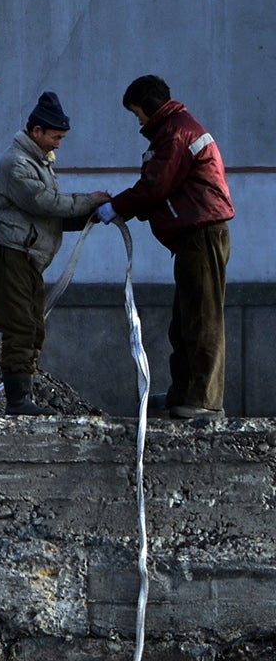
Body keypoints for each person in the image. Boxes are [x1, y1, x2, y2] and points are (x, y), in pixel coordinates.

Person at [96, 76, 235, 419]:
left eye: (137, 113)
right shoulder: (176, 129)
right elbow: (160, 187)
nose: (138, 121)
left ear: (148, 106)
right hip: (193, 236)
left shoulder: (174, 134)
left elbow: (155, 186)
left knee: (202, 319)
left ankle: (204, 400)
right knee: (184, 321)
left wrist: (118, 207)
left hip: (201, 235)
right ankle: (184, 393)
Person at [0, 92, 110, 415]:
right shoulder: (17, 164)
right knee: (21, 326)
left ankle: (24, 396)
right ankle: (18, 402)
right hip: (11, 256)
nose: (58, 144)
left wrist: (87, 216)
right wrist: (89, 200)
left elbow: (45, 217)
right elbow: (45, 204)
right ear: (36, 132)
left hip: (25, 258)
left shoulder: (36, 164)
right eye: (55, 136)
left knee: (33, 327)